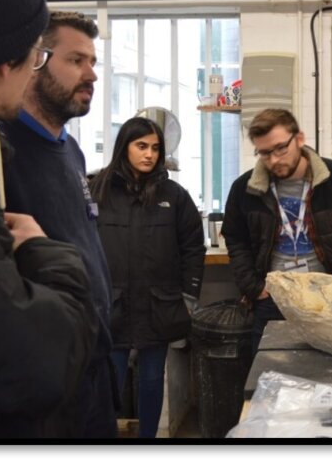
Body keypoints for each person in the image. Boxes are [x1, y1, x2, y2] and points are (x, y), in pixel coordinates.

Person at [0, 0, 98, 439]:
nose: (91, 74)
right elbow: (24, 360)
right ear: (3, 62)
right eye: (39, 55)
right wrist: (46, 253)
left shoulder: (67, 153)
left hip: (77, 380)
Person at [0, 11, 118, 438]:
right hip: (44, 382)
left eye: (93, 62)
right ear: (35, 59)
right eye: (76, 61)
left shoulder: (72, 152)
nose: (92, 75)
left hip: (93, 369)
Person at [221, 109, 332, 353]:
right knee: (269, 375)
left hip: (331, 298)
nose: (274, 159)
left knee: (329, 375)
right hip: (274, 299)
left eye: (280, 148)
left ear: (299, 139)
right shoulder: (245, 189)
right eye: (264, 153)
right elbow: (235, 238)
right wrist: (254, 288)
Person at [89, 117, 205, 438]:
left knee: (153, 380)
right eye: (141, 146)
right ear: (123, 147)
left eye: (155, 148)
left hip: (160, 306)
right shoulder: (96, 191)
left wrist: (188, 298)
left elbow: (194, 248)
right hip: (111, 306)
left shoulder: (174, 195)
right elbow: (79, 244)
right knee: (109, 383)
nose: (149, 154)